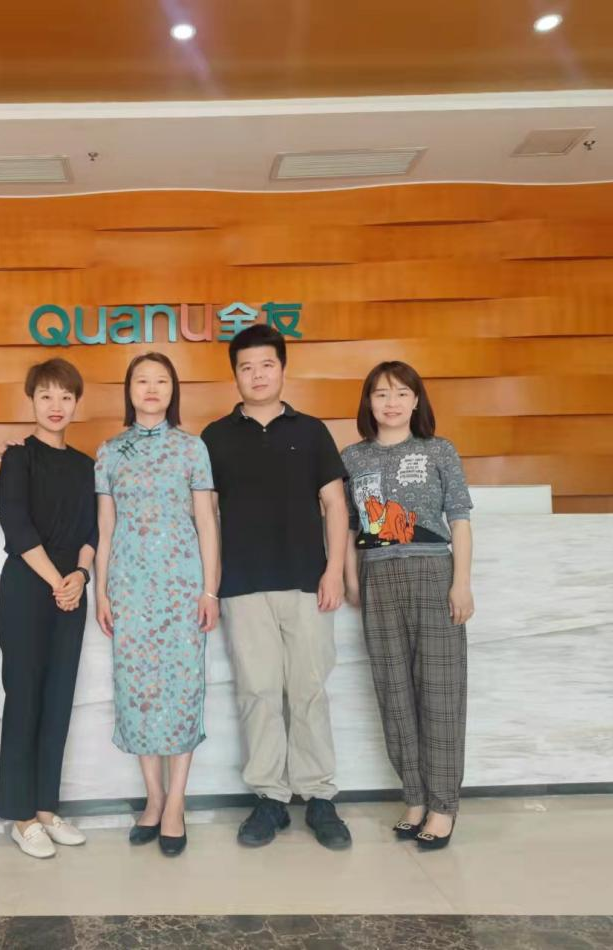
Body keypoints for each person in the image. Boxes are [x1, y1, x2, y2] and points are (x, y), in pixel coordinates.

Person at [200, 324, 353, 851]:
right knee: (258, 692)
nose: (258, 375)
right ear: (235, 376)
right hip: (243, 585)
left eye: (267, 365)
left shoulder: (311, 432)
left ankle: (319, 796)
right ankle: (269, 797)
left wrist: (334, 570)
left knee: (308, 690)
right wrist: (210, 587)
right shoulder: (215, 437)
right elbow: (205, 517)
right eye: (246, 367)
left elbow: (335, 504)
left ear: (282, 369)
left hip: (307, 581)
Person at [341, 360, 474, 851]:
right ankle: (414, 799)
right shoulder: (352, 457)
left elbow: (459, 519)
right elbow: (348, 526)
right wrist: (352, 580)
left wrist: (462, 583)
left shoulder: (439, 450)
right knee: (393, 691)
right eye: (381, 394)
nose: (391, 402)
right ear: (368, 403)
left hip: (433, 572)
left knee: (440, 691)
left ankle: (443, 805)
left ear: (416, 401)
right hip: (377, 576)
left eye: (401, 393)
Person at [94, 352, 220, 857]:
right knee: (138, 693)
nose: (151, 388)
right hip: (129, 590)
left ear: (173, 390)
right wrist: (101, 591)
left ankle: (176, 803)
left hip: (182, 588)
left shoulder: (192, 448)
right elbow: (105, 528)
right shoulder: (109, 452)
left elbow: (207, 523)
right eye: (142, 380)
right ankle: (153, 797)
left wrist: (210, 590)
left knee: (182, 692)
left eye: (161, 380)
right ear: (129, 390)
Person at [0, 357, 98, 859]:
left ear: (76, 403)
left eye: (65, 396)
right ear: (31, 400)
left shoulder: (85, 465)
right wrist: (59, 580)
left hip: (70, 591)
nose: (56, 405)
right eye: (46, 396)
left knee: (58, 701)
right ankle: (20, 818)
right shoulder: (18, 459)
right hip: (28, 588)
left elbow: (93, 531)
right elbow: (17, 528)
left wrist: (80, 576)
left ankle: (45, 808)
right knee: (25, 701)